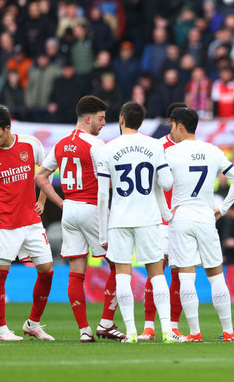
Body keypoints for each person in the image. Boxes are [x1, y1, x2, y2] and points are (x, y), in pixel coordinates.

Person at [35, 95, 125, 342]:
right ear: (88, 118)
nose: (104, 123)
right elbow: (108, 181)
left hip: (70, 209)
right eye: (101, 118)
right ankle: (106, 322)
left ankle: (84, 330)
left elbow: (41, 177)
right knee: (119, 264)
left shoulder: (61, 144)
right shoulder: (95, 145)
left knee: (76, 271)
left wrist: (61, 202)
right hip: (92, 208)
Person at [0, 106, 55, 341]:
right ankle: (1, 329)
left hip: (31, 221)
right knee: (0, 274)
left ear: (8, 128)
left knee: (47, 271)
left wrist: (42, 198)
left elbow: (48, 169)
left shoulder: (30, 144)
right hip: (4, 224)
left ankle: (32, 324)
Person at [97, 102, 182, 344]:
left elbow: (103, 196)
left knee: (122, 275)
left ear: (121, 119)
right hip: (148, 219)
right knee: (156, 275)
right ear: (141, 122)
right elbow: (166, 183)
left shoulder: (108, 148)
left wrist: (103, 232)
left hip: (119, 220)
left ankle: (131, 333)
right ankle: (167, 331)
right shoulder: (155, 145)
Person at [164, 107, 234, 342]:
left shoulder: (171, 152)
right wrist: (224, 208)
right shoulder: (212, 150)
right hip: (206, 216)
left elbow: (161, 185)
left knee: (186, 277)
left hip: (181, 217)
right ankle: (229, 331)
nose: (172, 131)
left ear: (180, 126)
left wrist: (166, 213)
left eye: (172, 126)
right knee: (216, 275)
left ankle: (195, 333)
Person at [139, 102, 187, 341]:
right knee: (155, 272)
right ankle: (149, 326)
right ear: (172, 123)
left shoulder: (195, 148)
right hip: (159, 220)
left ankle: (174, 326)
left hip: (184, 221)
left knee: (180, 274)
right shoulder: (156, 147)